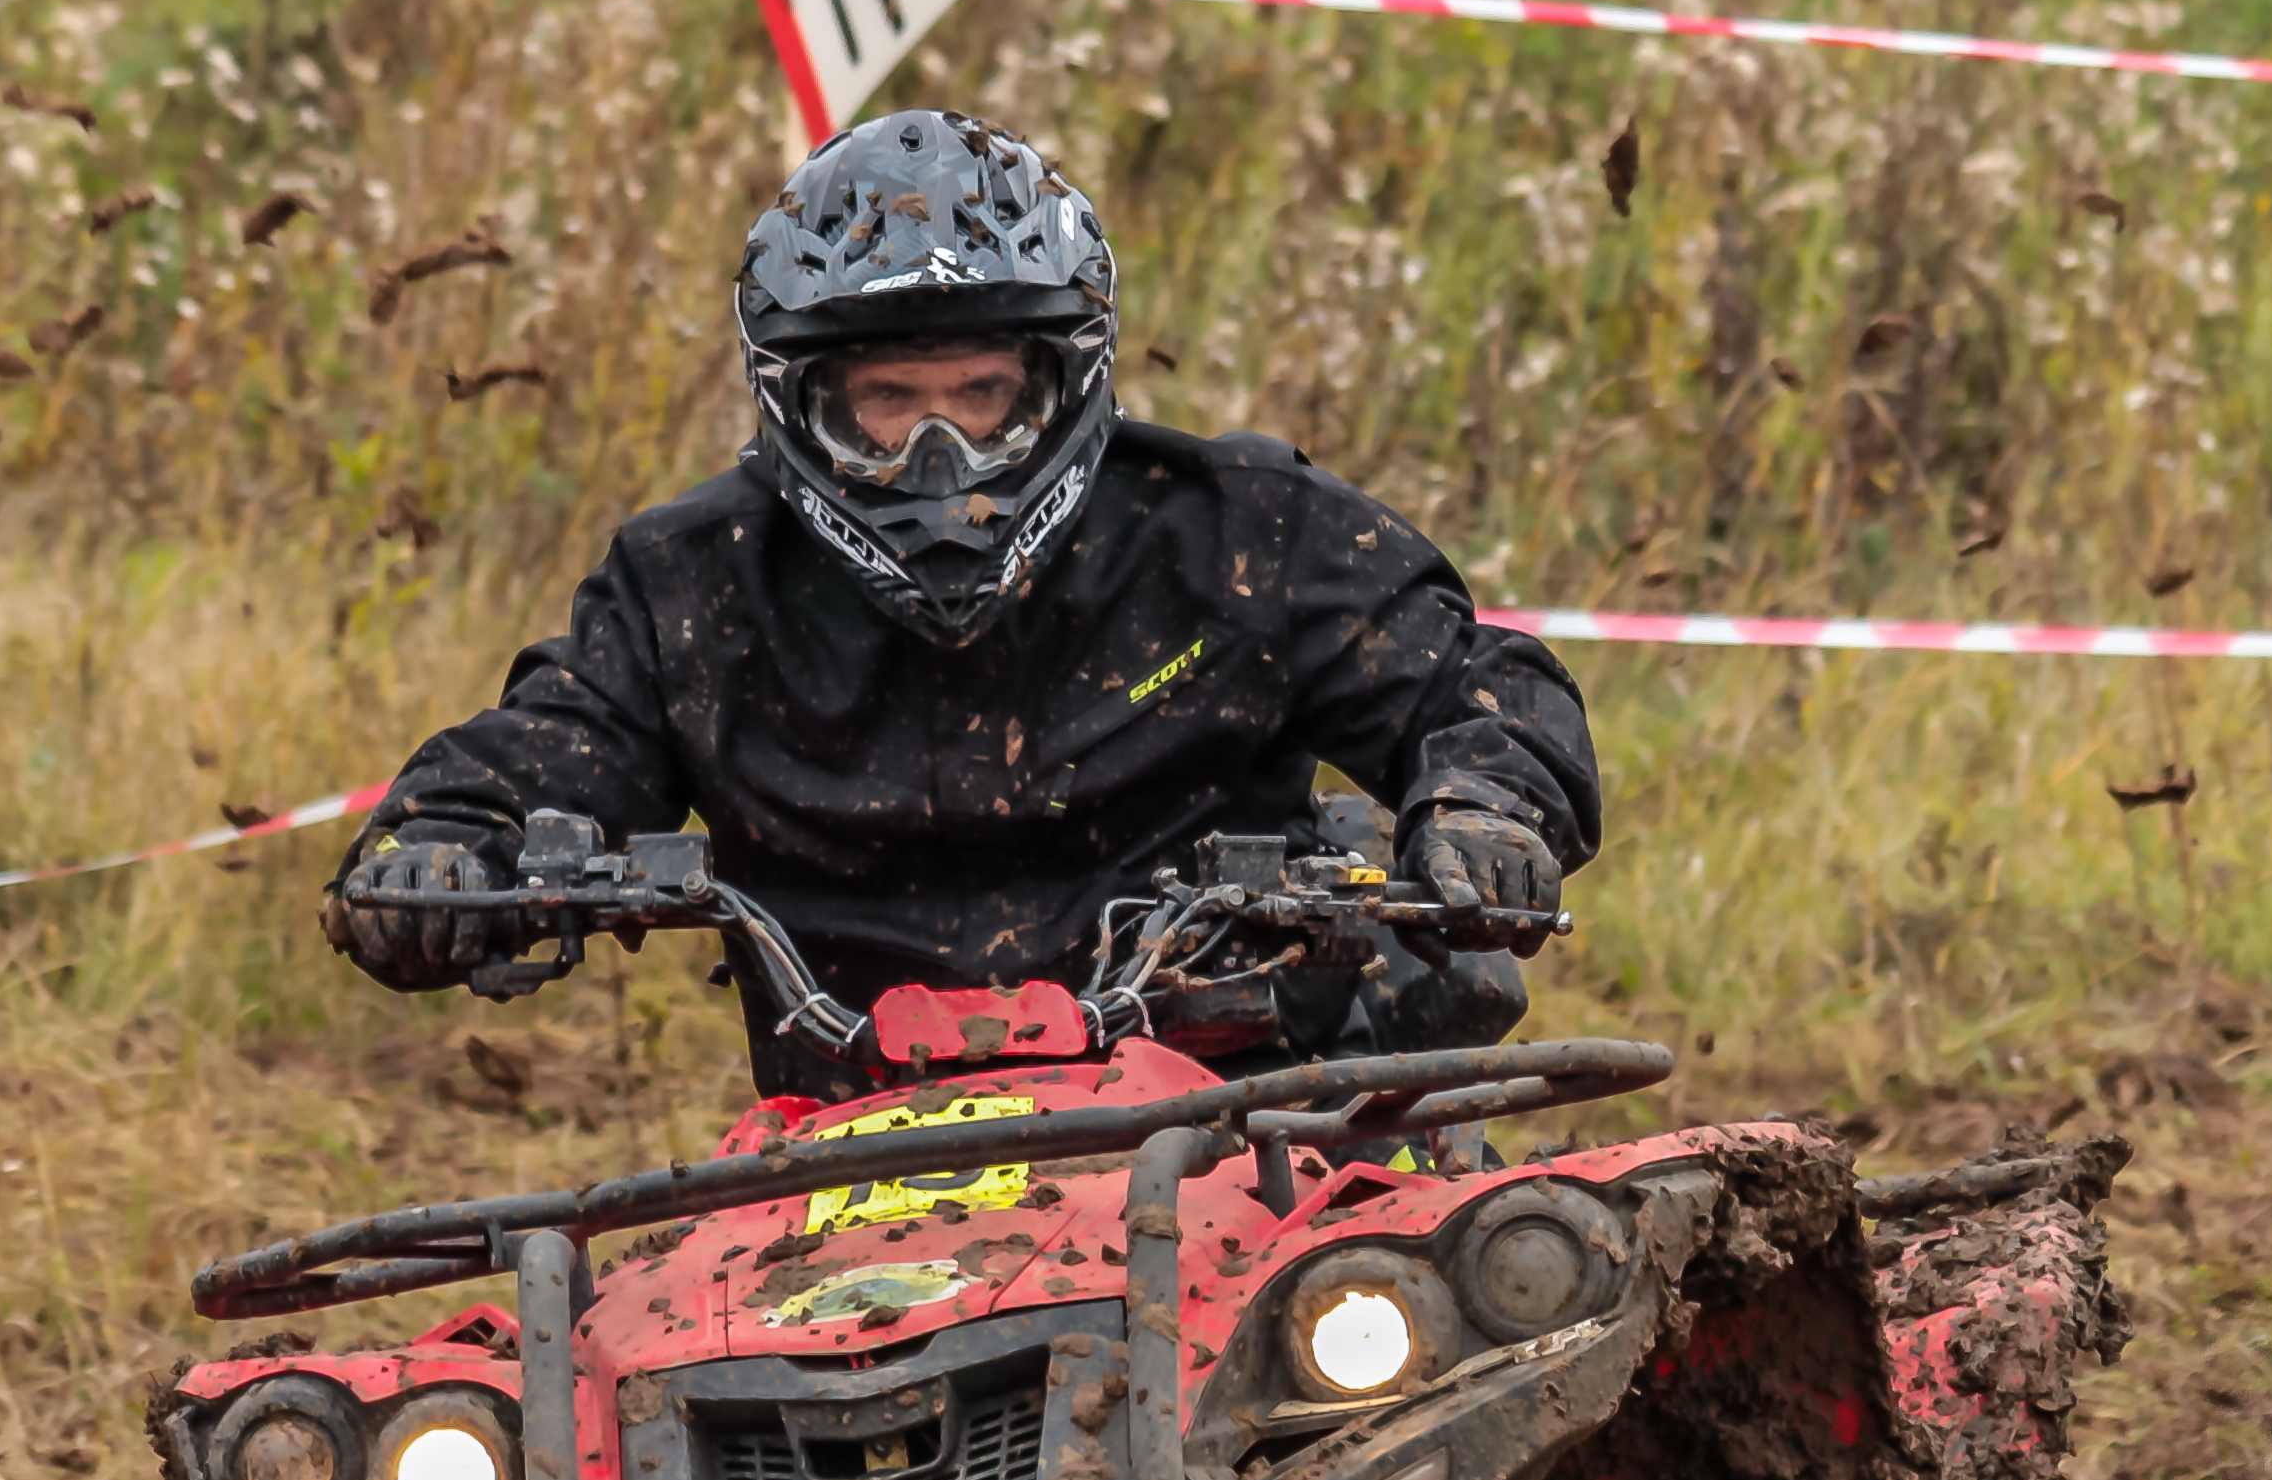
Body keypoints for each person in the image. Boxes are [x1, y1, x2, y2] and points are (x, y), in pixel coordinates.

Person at [319, 109, 1598, 1097]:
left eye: (982, 396)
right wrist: (439, 846)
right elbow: (552, 747)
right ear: (801, 404)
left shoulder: (1235, 532)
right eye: (887, 406)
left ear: (1062, 381)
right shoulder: (694, 585)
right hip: (837, 1153)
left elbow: (1476, 684)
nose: (939, 456)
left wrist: (1483, 803)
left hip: (1251, 1114)